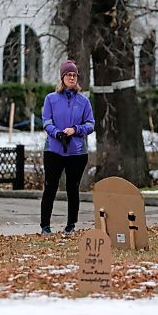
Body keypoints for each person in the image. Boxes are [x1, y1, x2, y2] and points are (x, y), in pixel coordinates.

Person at [40, 59, 95, 235]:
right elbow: (46, 121)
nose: (71, 78)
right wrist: (57, 133)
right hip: (54, 150)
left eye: (74, 75)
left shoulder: (83, 101)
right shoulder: (51, 99)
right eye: (68, 75)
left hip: (77, 152)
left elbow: (90, 124)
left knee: (73, 188)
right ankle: (45, 225)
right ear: (62, 77)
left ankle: (71, 224)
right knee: (50, 187)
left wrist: (75, 130)